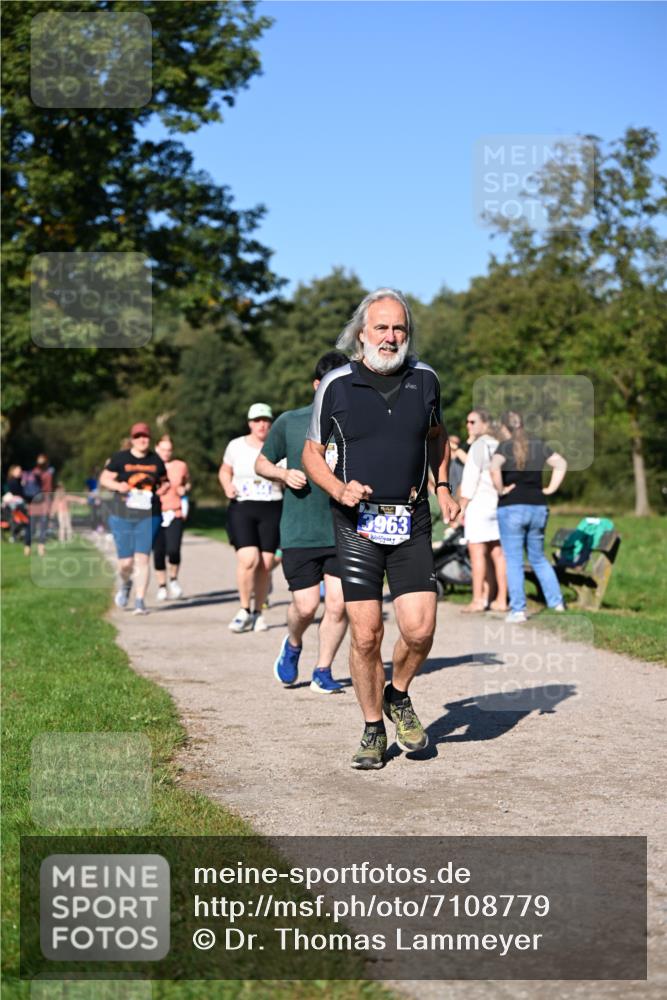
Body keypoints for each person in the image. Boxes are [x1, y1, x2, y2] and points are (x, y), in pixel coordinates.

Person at [303, 288, 460, 770]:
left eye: (399, 329)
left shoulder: (426, 380)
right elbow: (312, 452)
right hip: (357, 523)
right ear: (362, 333)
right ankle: (373, 729)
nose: (390, 337)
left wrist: (443, 485)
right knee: (366, 635)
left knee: (420, 629)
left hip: (411, 518)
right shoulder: (337, 384)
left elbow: (438, 437)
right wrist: (337, 488)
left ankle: (398, 693)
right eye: (381, 328)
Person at [255, 351, 349, 694]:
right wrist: (283, 473)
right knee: (306, 606)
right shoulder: (290, 422)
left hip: (343, 529)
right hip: (300, 530)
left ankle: (323, 670)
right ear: (316, 386)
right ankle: (293, 642)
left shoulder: (357, 425)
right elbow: (261, 463)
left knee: (338, 604)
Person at [490, 410, 567, 623]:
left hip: (511, 506)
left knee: (514, 560)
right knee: (538, 558)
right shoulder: (539, 443)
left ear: (506, 427)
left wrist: (501, 490)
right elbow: (561, 464)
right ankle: (557, 603)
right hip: (538, 507)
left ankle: (518, 610)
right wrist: (550, 488)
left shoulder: (504, 446)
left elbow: (493, 468)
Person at [219, 404, 283, 633]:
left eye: (265, 420)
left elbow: (287, 474)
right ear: (250, 423)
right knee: (248, 559)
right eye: (257, 420)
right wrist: (227, 486)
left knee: (265, 565)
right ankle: (244, 609)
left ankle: (258, 612)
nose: (262, 424)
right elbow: (225, 470)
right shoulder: (236, 445)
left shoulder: (279, 445)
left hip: (272, 506)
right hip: (243, 506)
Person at [99, 422, 167, 616]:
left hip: (149, 515)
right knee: (126, 563)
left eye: (145, 436)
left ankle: (140, 601)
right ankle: (126, 583)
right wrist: (116, 486)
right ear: (132, 439)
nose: (142, 440)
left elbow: (165, 481)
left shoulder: (156, 460)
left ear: (149, 438)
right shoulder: (120, 458)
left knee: (143, 558)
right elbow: (104, 478)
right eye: (138, 437)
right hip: (122, 514)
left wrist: (163, 489)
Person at [457, 410, 508, 613]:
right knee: (497, 553)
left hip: (479, 505)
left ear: (485, 423)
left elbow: (470, 480)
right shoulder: (500, 445)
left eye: (473, 422)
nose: (468, 425)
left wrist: (462, 507)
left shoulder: (478, 446)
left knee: (477, 554)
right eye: (467, 421)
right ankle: (500, 598)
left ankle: (478, 599)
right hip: (498, 503)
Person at [153, 435, 191, 601]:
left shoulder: (180, 466)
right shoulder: (150, 466)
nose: (166, 453)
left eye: (169, 450)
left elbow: (188, 482)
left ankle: (173, 580)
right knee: (159, 551)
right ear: (156, 449)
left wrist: (184, 488)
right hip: (155, 513)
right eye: (163, 450)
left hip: (174, 511)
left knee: (173, 549)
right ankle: (162, 586)